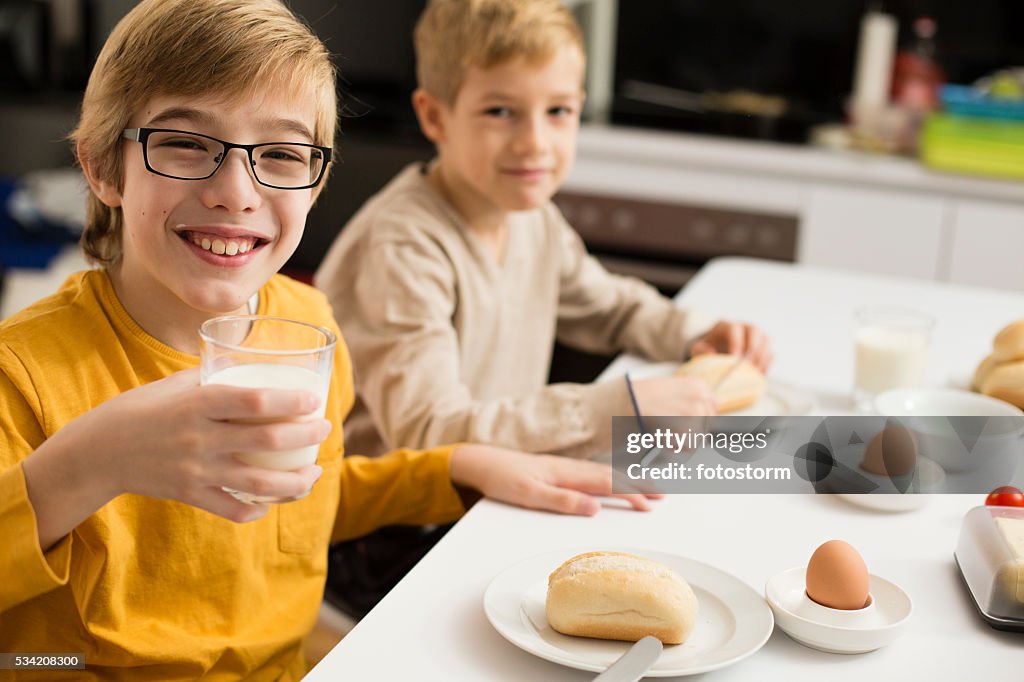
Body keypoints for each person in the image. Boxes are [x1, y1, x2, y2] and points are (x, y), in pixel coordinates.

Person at [0, 1, 657, 679]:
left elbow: (310, 504)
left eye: (281, 154)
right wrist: (86, 465)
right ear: (104, 168)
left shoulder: (309, 328)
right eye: (186, 144)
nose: (236, 192)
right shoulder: (20, 372)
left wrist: (455, 468)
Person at [315, 0, 773, 461]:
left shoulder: (532, 219)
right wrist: (614, 407)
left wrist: (694, 333)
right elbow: (430, 433)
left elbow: (609, 308)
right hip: (406, 524)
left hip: (495, 488)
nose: (535, 143)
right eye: (500, 111)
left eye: (558, 110)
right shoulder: (404, 246)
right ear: (434, 116)